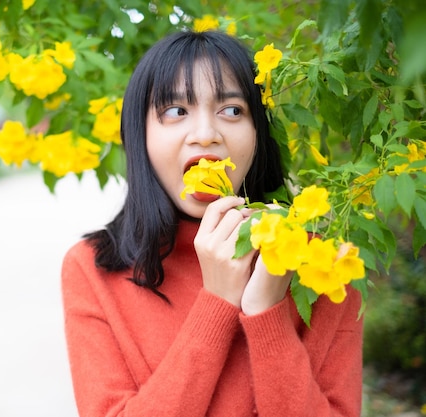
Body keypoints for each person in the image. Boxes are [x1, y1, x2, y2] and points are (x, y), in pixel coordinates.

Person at [61, 30, 363, 416]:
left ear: (258, 135)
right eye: (175, 112)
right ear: (140, 137)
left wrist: (266, 313)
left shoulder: (326, 263)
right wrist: (217, 303)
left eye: (232, 110)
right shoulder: (91, 269)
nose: (205, 135)